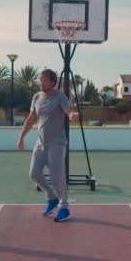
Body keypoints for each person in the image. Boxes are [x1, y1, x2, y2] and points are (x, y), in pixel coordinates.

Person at [16, 69, 78, 222]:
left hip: (57, 143)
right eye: (40, 80)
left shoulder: (59, 97)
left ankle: (64, 207)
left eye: (44, 80)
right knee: (34, 173)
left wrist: (71, 115)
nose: (40, 82)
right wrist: (21, 137)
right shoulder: (36, 97)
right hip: (40, 143)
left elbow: (67, 110)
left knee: (57, 178)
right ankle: (51, 197)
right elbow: (31, 118)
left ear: (52, 82)